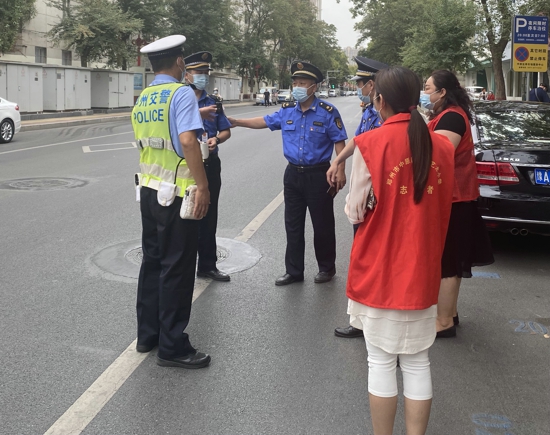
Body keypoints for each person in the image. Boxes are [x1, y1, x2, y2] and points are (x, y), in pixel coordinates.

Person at [333, 66, 455, 435]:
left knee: (381, 362)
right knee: (418, 362)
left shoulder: (371, 144)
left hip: (380, 269)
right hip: (423, 268)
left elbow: (355, 212)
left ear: (380, 100)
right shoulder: (442, 146)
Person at [228, 61, 348, 285]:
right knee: (293, 225)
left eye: (302, 83)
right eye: (295, 83)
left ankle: (326, 268)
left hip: (319, 175)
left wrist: (340, 169)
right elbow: (264, 121)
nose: (298, 87)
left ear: (313, 87)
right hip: (293, 175)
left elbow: (339, 141)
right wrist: (236, 122)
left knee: (322, 224)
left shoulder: (327, 112)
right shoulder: (287, 111)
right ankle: (294, 271)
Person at [132, 35, 211, 369]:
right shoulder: (181, 93)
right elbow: (188, 141)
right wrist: (203, 186)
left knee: (152, 262)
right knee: (177, 267)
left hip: (148, 191)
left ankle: (148, 335)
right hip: (176, 193)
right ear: (180, 62)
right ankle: (173, 346)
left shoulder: (143, 97)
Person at [421, 70, 494, 338]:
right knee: (451, 260)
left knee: (448, 263)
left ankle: (444, 322)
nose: (424, 92)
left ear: (442, 92)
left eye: (428, 88)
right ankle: (449, 313)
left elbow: (438, 155)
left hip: (454, 199)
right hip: (453, 198)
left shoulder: (451, 117)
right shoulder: (445, 114)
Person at [330, 56, 388, 339]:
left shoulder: (384, 115)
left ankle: (369, 320)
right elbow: (358, 140)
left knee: (371, 256)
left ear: (372, 85)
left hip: (376, 196)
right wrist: (338, 160)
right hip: (365, 195)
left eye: (360, 84)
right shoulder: (370, 112)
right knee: (363, 254)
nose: (358, 88)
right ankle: (363, 318)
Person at [184, 51, 232, 282]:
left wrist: (217, 139)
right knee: (184, 216)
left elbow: (226, 130)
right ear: (187, 75)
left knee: (208, 215)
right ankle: (183, 267)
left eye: (205, 72)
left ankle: (207, 265)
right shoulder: (179, 98)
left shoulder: (214, 102)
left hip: (210, 163)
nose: (203, 76)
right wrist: (197, 112)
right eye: (198, 72)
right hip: (184, 166)